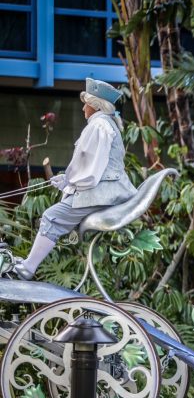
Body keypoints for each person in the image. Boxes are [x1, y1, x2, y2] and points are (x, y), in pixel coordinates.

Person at [12, 78, 136, 280]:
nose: (83, 108)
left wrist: (70, 182)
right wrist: (67, 180)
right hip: (105, 191)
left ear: (96, 106)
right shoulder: (105, 124)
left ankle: (28, 268)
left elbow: (90, 168)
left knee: (52, 216)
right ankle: (28, 265)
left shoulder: (98, 126)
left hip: (101, 193)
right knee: (54, 216)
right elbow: (89, 166)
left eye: (86, 103)